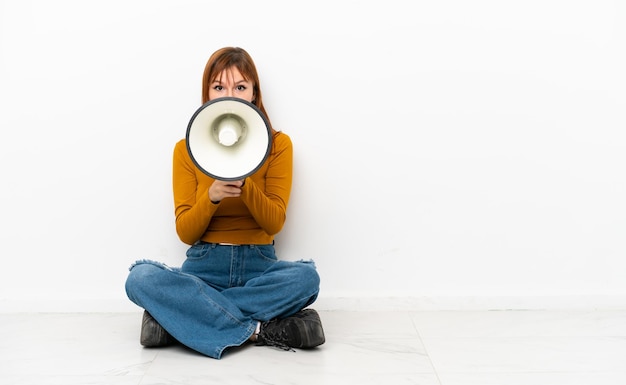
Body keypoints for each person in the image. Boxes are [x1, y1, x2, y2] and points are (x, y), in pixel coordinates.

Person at [125, 47, 325, 359]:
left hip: (259, 266)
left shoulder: (278, 146)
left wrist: (247, 186)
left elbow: (274, 224)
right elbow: (186, 233)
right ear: (206, 93)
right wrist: (212, 197)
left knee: (306, 279)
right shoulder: (185, 150)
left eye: (240, 87)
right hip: (205, 268)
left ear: (254, 94)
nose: (229, 95)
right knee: (140, 279)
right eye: (219, 87)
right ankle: (259, 330)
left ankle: (184, 316)